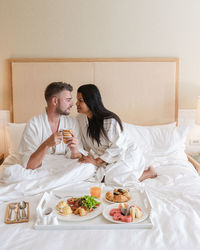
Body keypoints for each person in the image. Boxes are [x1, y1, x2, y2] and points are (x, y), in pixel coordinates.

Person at [76, 84, 157, 184]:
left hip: (125, 154)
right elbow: (84, 144)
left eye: (80, 101)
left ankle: (149, 172)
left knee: (111, 178)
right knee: (98, 177)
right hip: (106, 158)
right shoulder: (81, 119)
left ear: (91, 101)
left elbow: (118, 147)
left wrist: (97, 161)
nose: (76, 104)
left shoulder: (109, 121)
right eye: (77, 100)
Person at [19, 82, 85, 170]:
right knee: (11, 173)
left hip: (65, 168)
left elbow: (77, 158)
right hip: (41, 169)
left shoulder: (72, 122)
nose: (72, 104)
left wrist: (74, 151)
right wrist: (46, 144)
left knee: (88, 167)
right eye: (68, 100)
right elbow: (29, 165)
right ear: (55, 101)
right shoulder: (33, 124)